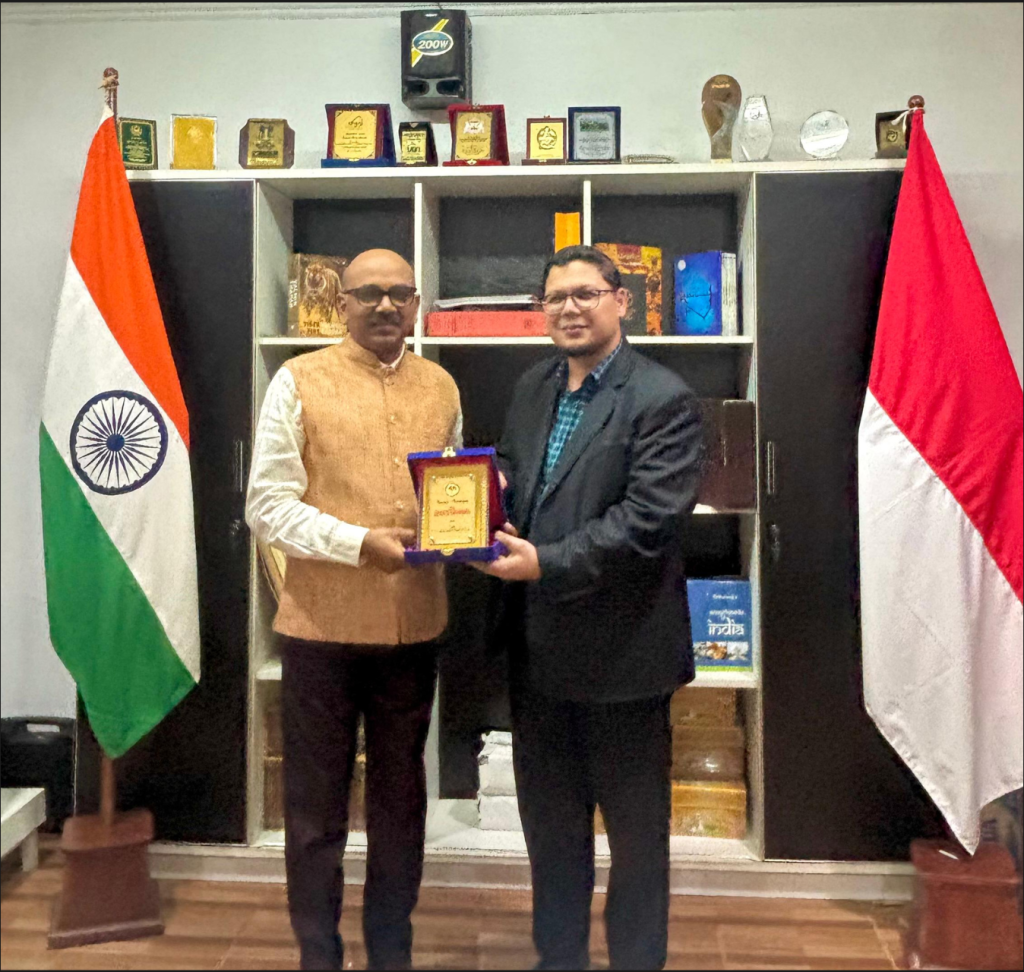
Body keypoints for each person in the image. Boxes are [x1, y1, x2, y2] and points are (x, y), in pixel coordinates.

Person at [478, 245, 703, 970]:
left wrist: (544, 562)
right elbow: (519, 469)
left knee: (637, 842)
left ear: (620, 302)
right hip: (538, 657)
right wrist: (485, 494)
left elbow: (646, 523)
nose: (569, 309)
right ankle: (559, 959)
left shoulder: (662, 398)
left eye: (585, 294)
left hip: (624, 662)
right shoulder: (533, 387)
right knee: (551, 834)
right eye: (555, 298)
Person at [246, 249, 462, 971]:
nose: (385, 306)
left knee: (402, 808)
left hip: (414, 630)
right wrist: (358, 544)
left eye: (400, 293)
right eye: (368, 293)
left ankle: (391, 954)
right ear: (340, 304)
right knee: (315, 813)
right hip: (321, 632)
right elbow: (267, 508)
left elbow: (451, 490)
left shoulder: (441, 385)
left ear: (417, 304)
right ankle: (319, 956)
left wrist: (476, 523)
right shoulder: (298, 379)